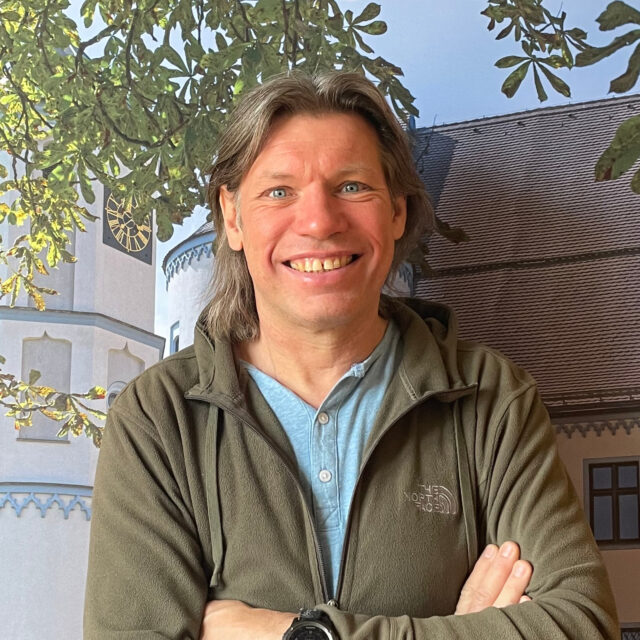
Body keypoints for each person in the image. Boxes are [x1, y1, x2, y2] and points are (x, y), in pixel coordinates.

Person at [84, 72, 618, 640]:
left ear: (397, 212)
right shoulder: (158, 419)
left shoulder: (490, 398)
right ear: (233, 217)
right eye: (279, 191)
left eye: (352, 186)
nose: (319, 221)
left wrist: (305, 635)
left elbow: (581, 625)